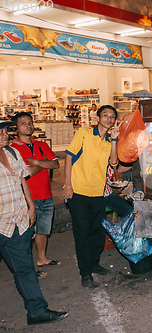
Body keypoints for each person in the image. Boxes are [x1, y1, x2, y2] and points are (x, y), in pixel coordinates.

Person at [0, 119, 68, 325]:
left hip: (18, 221)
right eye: (1, 132)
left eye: (4, 131)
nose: (5, 135)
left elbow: (23, 178)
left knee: (25, 268)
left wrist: (30, 207)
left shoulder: (11, 153)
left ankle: (36, 311)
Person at [63, 105, 119, 288]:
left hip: (97, 193)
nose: (109, 119)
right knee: (82, 233)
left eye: (112, 116)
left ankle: (94, 264)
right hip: (78, 191)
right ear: (98, 118)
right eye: (105, 115)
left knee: (97, 231)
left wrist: (115, 140)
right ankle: (85, 272)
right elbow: (69, 158)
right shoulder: (84, 133)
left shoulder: (109, 140)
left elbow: (113, 162)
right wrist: (68, 185)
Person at [12, 112, 61, 274]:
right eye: (23, 123)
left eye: (30, 122)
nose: (28, 126)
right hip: (27, 199)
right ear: (16, 128)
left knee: (43, 230)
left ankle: (42, 258)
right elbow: (27, 173)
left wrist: (37, 162)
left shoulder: (42, 144)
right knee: (26, 235)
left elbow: (55, 165)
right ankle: (28, 267)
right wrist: (44, 164)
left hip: (46, 195)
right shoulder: (12, 150)